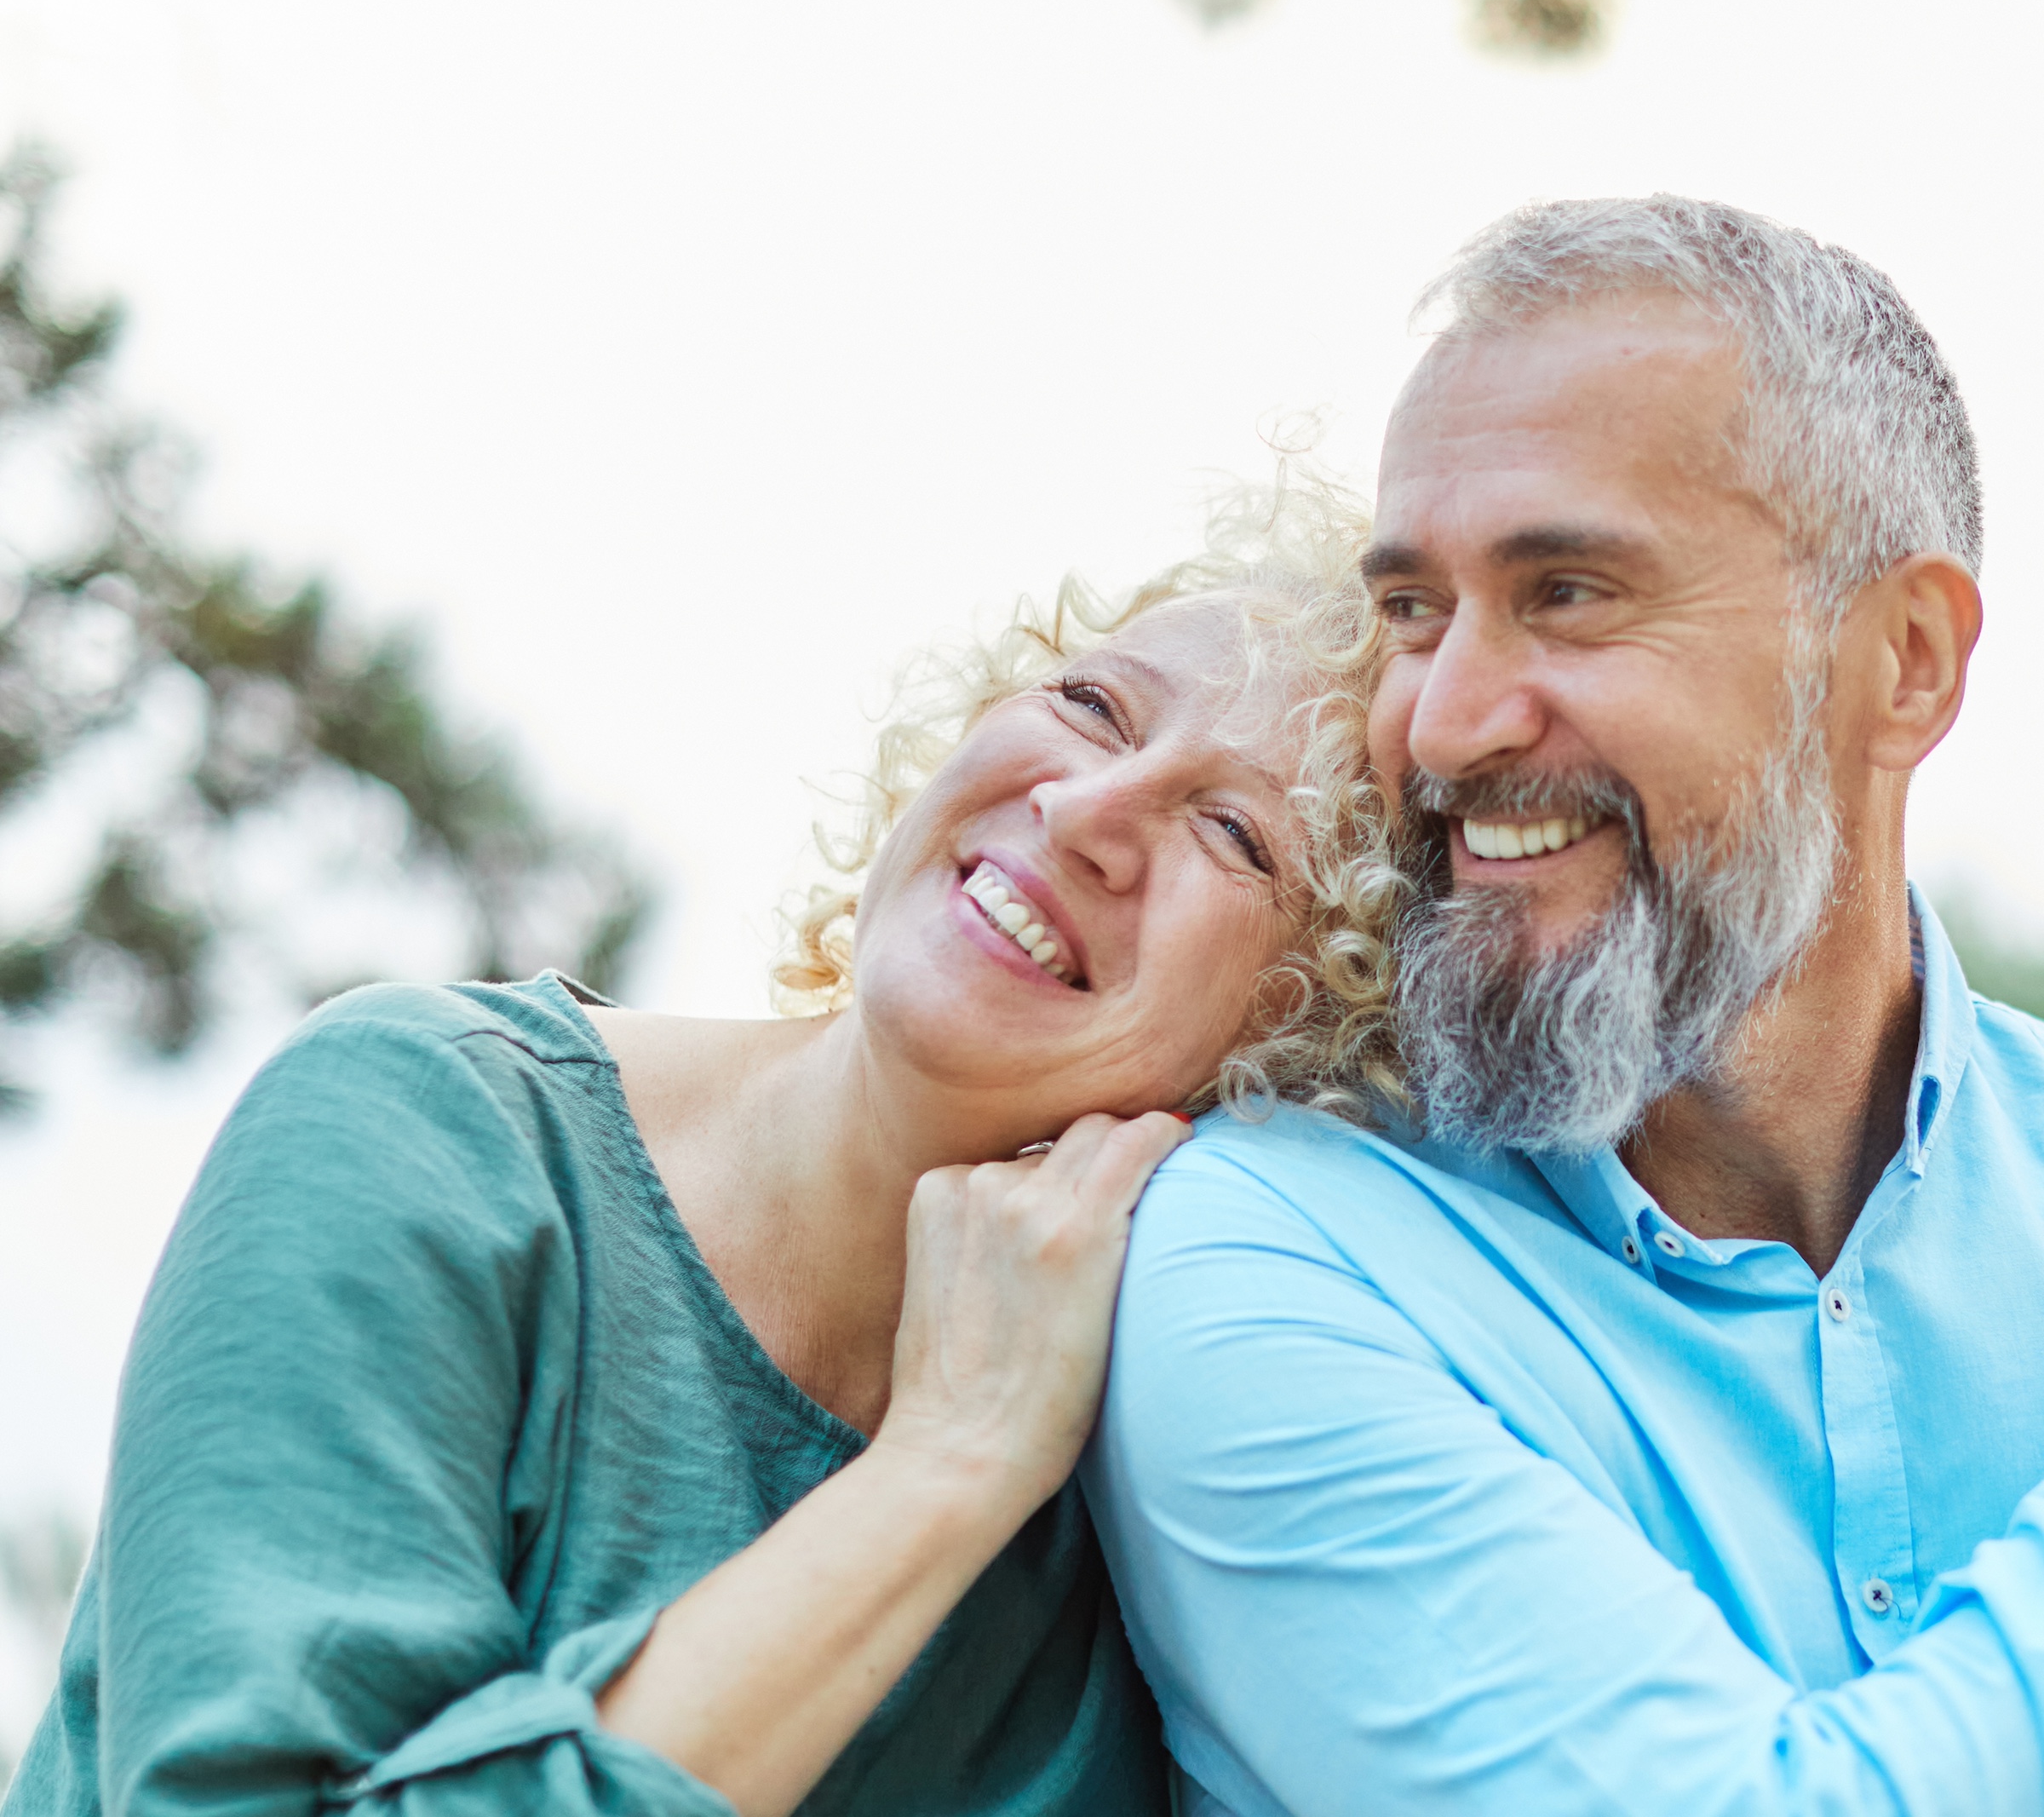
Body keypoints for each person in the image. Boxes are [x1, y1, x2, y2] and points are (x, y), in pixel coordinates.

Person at [5, 496, 1401, 1817]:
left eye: (1236, 835)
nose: (1086, 809)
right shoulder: (437, 1127)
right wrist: (946, 1466)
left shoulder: (1189, 1481)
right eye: (1090, 704)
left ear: (1320, 1047)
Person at [1088, 195, 2044, 1814]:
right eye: (1410, 610)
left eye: (1571, 593)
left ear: (1905, 663)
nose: (1447, 723)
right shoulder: (1266, 1257)